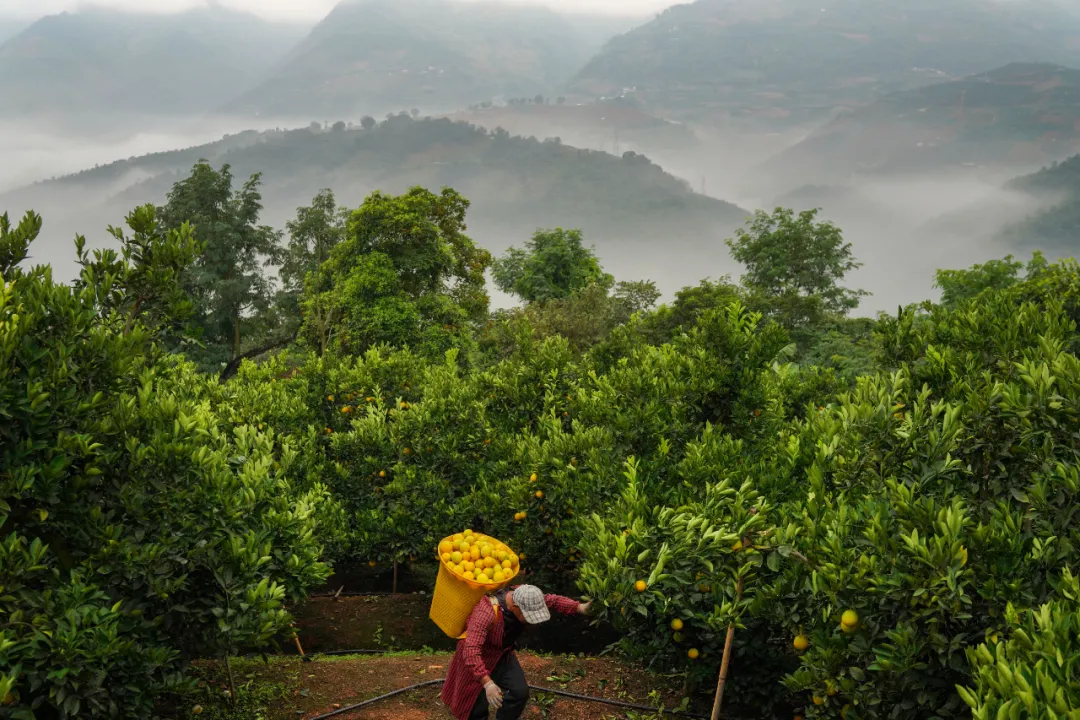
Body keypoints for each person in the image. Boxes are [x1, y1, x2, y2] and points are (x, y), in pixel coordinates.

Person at [441, 584, 591, 720]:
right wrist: (487, 683)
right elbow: (471, 650)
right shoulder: (485, 612)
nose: (531, 620)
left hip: (501, 654)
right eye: (527, 615)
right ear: (515, 606)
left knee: (519, 692)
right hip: (477, 656)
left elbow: (552, 600)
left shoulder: (527, 596)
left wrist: (579, 607)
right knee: (475, 706)